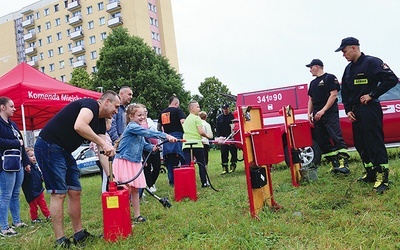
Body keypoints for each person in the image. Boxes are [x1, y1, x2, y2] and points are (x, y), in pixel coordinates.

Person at [34, 91, 119, 247]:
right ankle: (61, 240)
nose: (117, 111)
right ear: (107, 102)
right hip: (48, 146)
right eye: (116, 106)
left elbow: (102, 151)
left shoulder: (100, 122)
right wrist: (104, 142)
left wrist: (113, 179)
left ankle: (79, 235)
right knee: (59, 193)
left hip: (64, 151)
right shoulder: (90, 105)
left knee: (75, 191)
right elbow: (79, 125)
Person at [335, 37, 398, 193]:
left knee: (374, 142)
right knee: (360, 143)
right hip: (355, 112)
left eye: (344, 51)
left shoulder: (372, 62)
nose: (343, 55)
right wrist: (348, 110)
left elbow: (391, 79)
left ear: (354, 48)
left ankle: (382, 177)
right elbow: (347, 92)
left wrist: (372, 94)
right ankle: (370, 173)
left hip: (370, 109)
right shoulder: (348, 69)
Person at [112, 104, 176, 223]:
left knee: (135, 189)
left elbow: (143, 144)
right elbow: (147, 133)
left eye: (144, 115)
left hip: (135, 162)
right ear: (131, 116)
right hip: (124, 161)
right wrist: (165, 136)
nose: (142, 117)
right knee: (126, 189)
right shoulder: (132, 127)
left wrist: (152, 147)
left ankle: (137, 215)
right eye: (139, 115)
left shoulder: (137, 129)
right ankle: (123, 216)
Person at [306, 59, 350, 174]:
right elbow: (310, 99)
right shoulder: (313, 83)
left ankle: (343, 163)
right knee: (322, 139)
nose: (310, 70)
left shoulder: (329, 78)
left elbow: (333, 95)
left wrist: (323, 110)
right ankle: (334, 163)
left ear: (317, 66)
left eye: (311, 67)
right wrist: (309, 113)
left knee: (336, 136)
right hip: (317, 115)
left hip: (329, 113)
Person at [0, 97, 30, 237]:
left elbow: (22, 143)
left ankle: (16, 221)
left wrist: (26, 162)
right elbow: (16, 142)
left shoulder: (13, 124)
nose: (14, 108)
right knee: (6, 195)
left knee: (15, 194)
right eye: (11, 106)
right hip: (5, 165)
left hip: (18, 163)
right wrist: (15, 142)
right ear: (2, 107)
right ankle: (4, 228)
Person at [182, 101, 212, 187]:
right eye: (197, 107)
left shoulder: (186, 120)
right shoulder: (197, 118)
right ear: (192, 108)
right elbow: (201, 132)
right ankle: (204, 182)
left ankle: (189, 183)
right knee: (201, 163)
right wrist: (208, 136)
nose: (199, 108)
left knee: (188, 165)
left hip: (186, 144)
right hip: (196, 143)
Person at [157, 96, 186, 186]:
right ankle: (183, 179)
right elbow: (183, 122)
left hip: (167, 139)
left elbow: (158, 127)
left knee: (169, 161)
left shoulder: (162, 113)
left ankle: (172, 181)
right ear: (176, 104)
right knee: (183, 159)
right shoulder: (178, 111)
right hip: (178, 137)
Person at [21, 147, 51, 224]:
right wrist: (27, 172)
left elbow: (39, 176)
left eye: (34, 155)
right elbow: (25, 180)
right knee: (33, 206)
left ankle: (48, 215)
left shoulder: (36, 166)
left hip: (39, 189)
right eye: (31, 156)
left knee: (43, 203)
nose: (34, 157)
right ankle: (34, 218)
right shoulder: (26, 168)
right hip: (31, 191)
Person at [140, 106, 161, 193]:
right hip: (145, 148)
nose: (145, 113)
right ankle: (149, 185)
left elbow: (156, 132)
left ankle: (151, 182)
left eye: (146, 111)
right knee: (147, 166)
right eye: (143, 111)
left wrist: (159, 142)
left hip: (155, 146)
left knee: (157, 166)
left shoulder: (150, 120)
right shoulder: (138, 123)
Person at [89, 118, 113, 193]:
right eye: (110, 124)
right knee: (106, 177)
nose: (111, 126)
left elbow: (91, 146)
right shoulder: (102, 135)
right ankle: (105, 192)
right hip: (103, 159)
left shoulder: (100, 135)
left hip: (102, 158)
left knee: (106, 176)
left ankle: (107, 190)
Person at [216, 104, 238, 174]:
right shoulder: (220, 117)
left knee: (233, 153)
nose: (225, 110)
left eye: (226, 108)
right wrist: (218, 137)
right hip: (223, 138)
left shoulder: (233, 116)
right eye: (224, 109)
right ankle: (225, 168)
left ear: (229, 108)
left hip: (232, 137)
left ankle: (233, 165)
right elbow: (218, 128)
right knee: (224, 153)